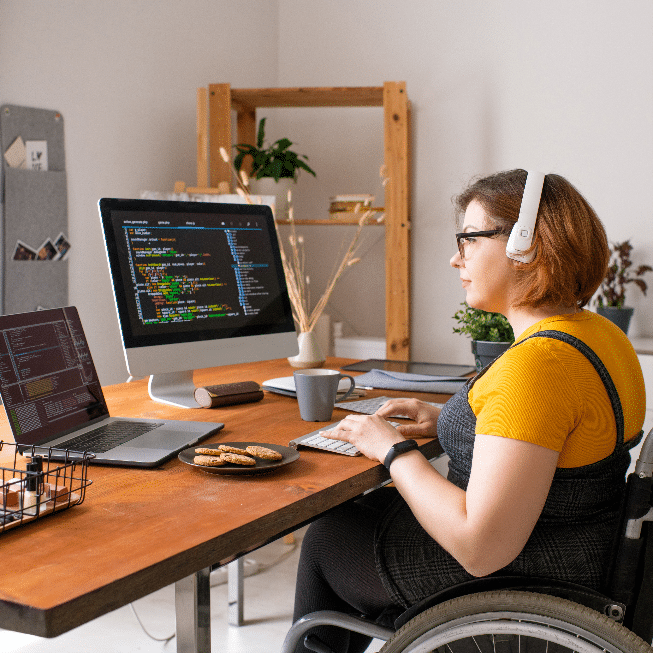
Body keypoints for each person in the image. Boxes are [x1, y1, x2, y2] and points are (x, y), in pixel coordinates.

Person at [290, 169, 646, 653]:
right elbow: (556, 436)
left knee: (329, 540)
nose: (454, 258)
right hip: (580, 545)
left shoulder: (538, 367)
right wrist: (449, 421)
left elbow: (481, 548)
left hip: (530, 567)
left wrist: (393, 450)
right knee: (360, 513)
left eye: (470, 240)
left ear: (527, 245)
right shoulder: (598, 334)